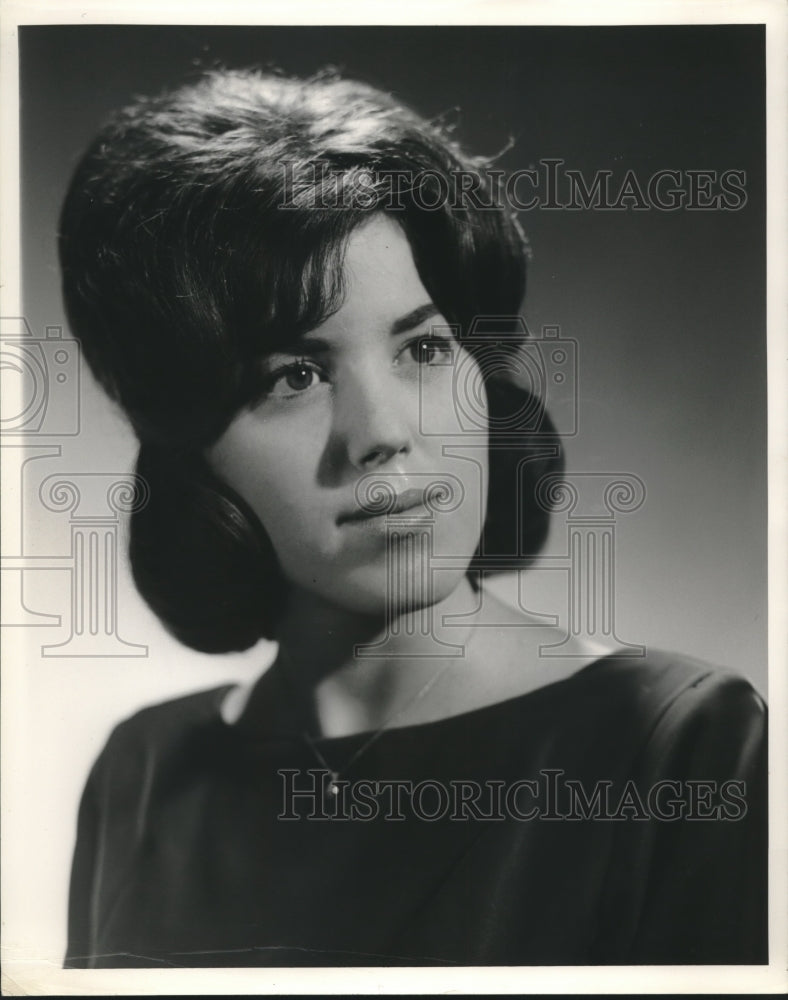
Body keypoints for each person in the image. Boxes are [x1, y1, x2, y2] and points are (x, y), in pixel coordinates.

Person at [59, 69, 767, 968]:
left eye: (425, 348)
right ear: (187, 448)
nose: (384, 434)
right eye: (294, 376)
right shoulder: (144, 772)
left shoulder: (682, 747)